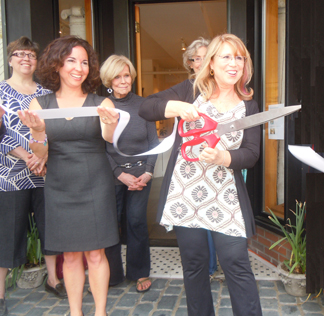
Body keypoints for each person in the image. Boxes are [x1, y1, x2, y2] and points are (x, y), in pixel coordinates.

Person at [138, 33, 262, 316]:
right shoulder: (190, 91)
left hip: (226, 197)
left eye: (239, 58)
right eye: (226, 57)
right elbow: (146, 107)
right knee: (193, 266)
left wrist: (223, 157)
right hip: (185, 195)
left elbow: (252, 155)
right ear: (211, 64)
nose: (234, 64)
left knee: (236, 264)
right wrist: (174, 107)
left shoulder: (249, 106)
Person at [18, 36, 119, 316]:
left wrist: (110, 125)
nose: (79, 67)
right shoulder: (41, 104)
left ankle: (100, 312)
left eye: (85, 62)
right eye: (71, 60)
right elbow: (39, 151)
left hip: (95, 182)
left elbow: (108, 139)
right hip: (60, 184)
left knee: (96, 254)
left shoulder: (102, 102)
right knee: (71, 255)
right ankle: (76, 312)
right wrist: (38, 132)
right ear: (57, 64)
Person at [0, 37, 66, 316]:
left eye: (31, 54)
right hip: (11, 173)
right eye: (20, 54)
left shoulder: (45, 93)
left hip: (44, 172)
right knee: (8, 232)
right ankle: (1, 292)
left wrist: (43, 156)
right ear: (10, 59)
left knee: (49, 226)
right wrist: (27, 156)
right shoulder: (0, 92)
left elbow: (56, 131)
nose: (26, 58)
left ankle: (53, 279)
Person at [100, 55, 159, 293]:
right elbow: (101, 146)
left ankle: (139, 272)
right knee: (112, 223)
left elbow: (153, 142)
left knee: (136, 221)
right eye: (118, 76)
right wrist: (118, 174)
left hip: (140, 175)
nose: (123, 81)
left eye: (127, 75)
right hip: (112, 175)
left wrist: (148, 172)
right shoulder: (104, 106)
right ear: (109, 79)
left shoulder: (143, 105)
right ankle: (113, 274)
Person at [184, 37, 218, 279]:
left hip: (217, 157)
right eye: (197, 59)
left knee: (215, 211)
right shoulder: (184, 90)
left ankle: (214, 264)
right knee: (196, 213)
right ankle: (203, 266)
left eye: (206, 57)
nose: (201, 63)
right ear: (190, 63)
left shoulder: (220, 88)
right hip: (190, 159)